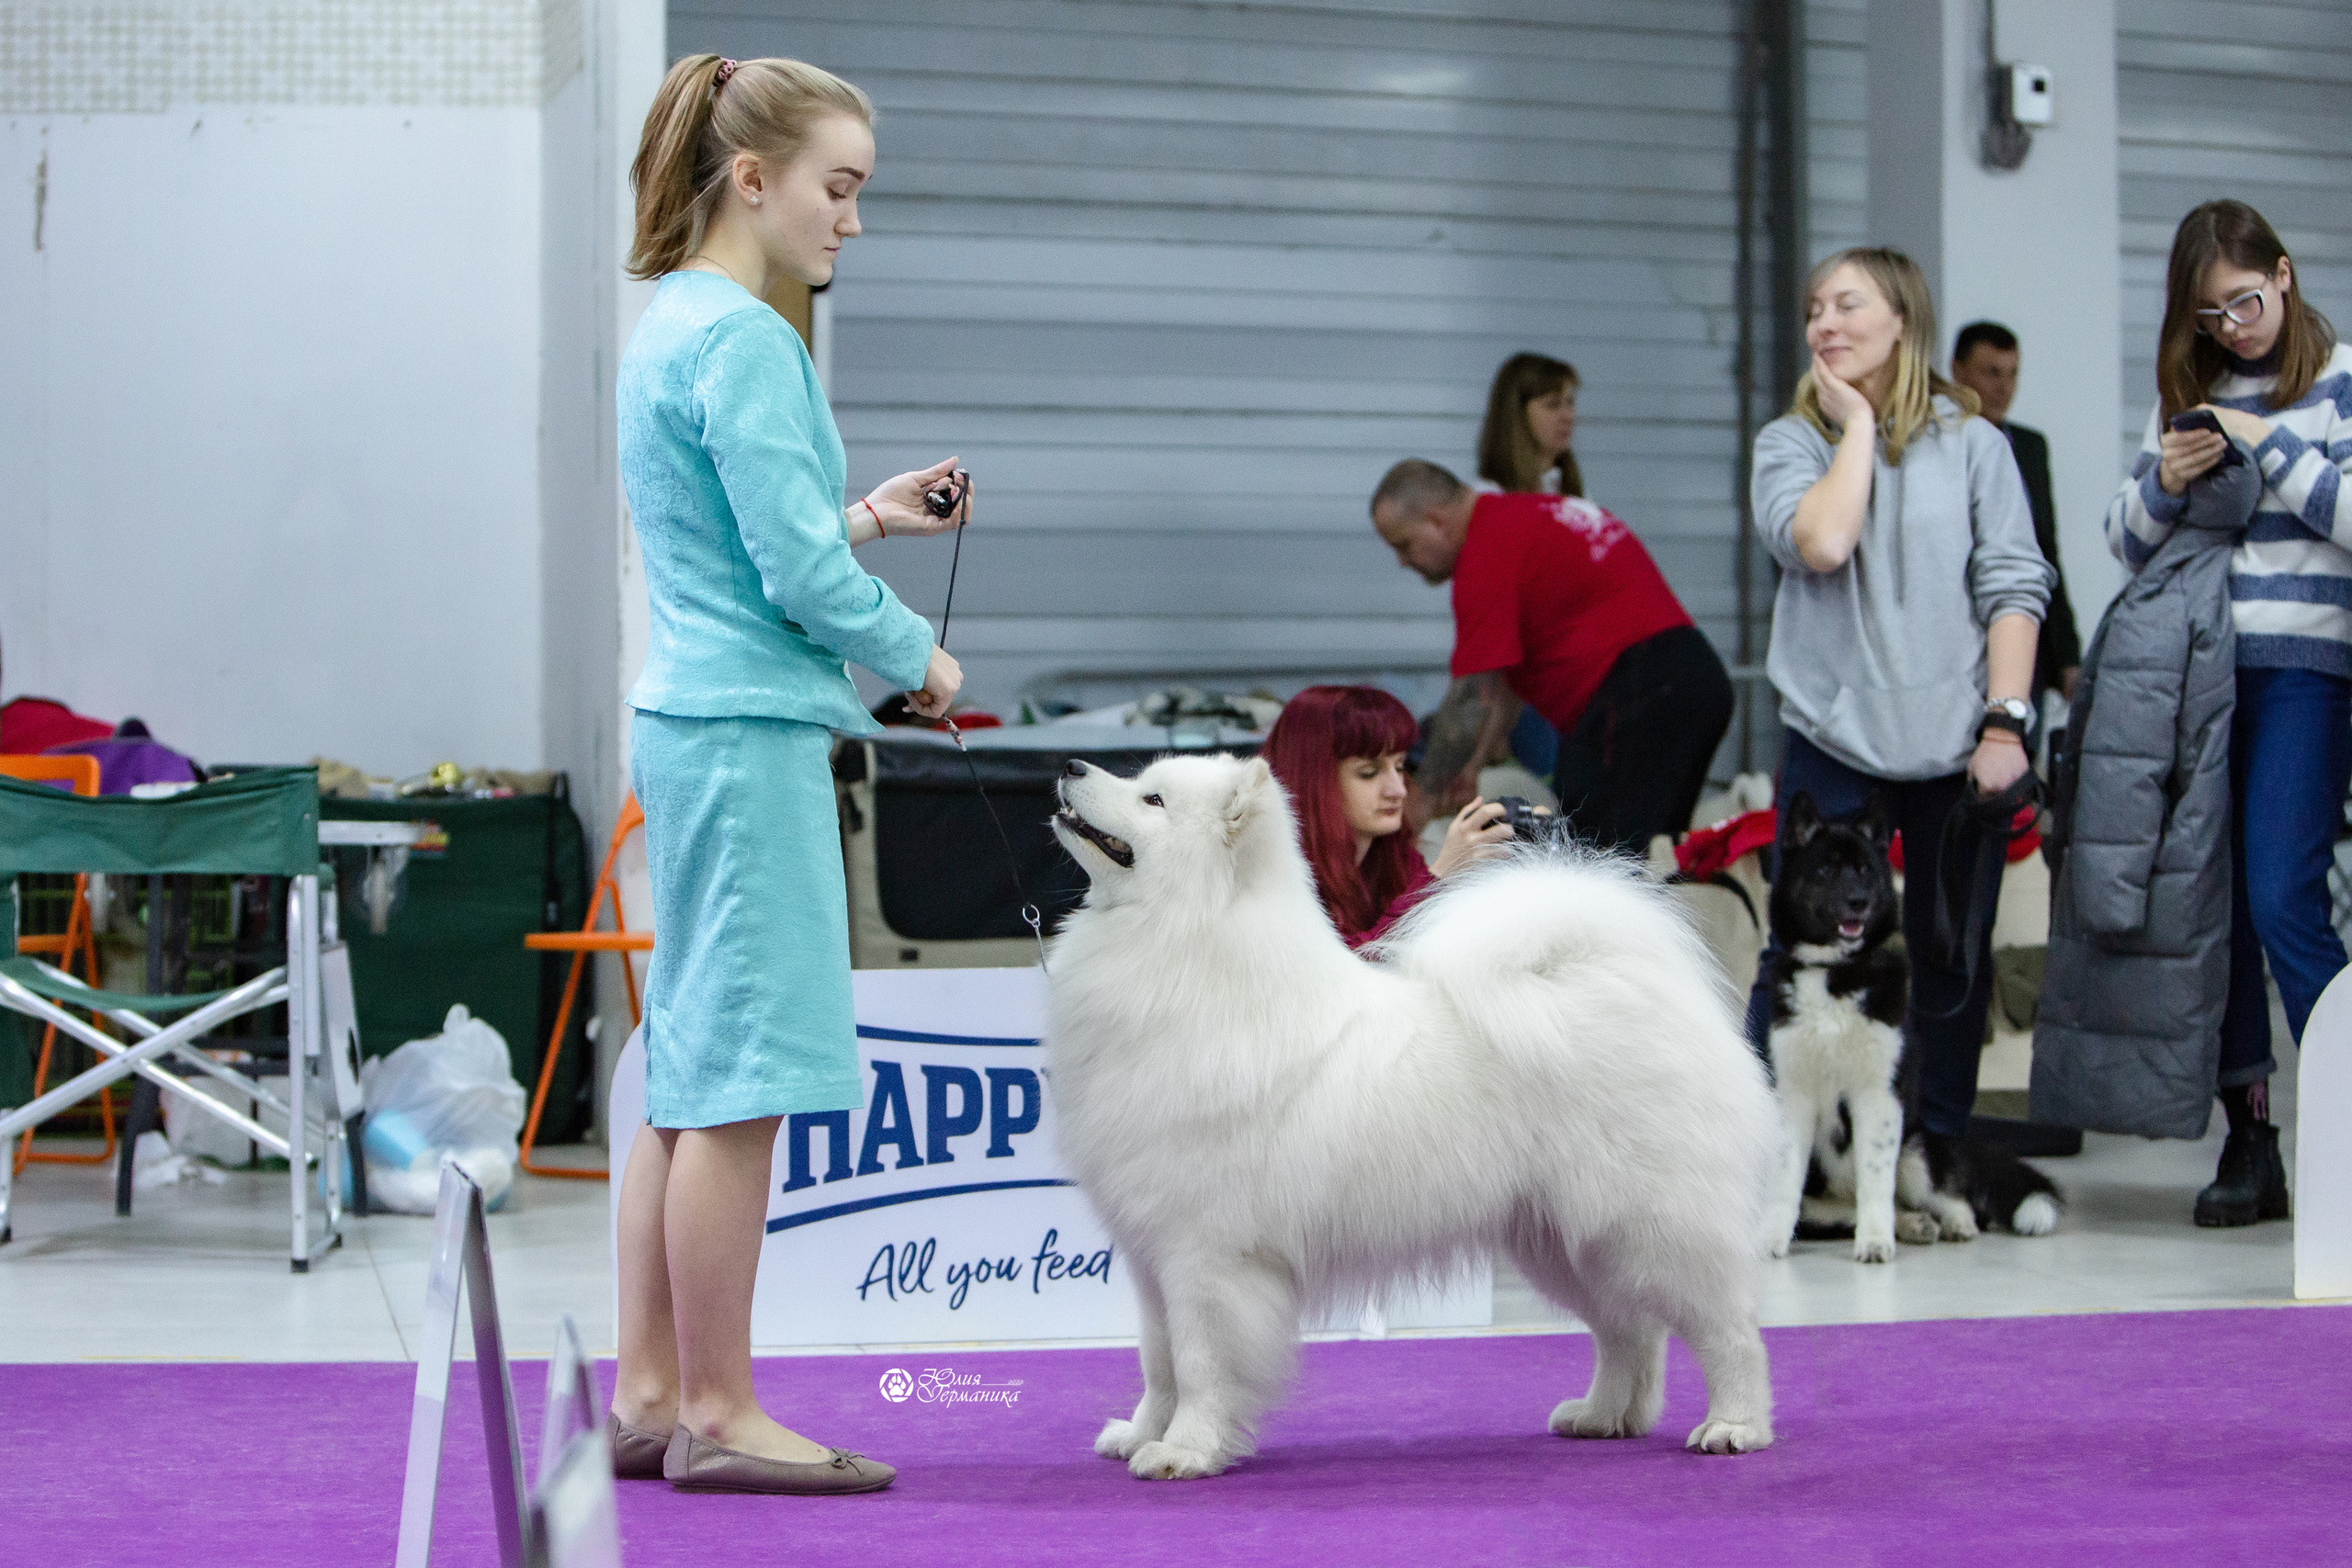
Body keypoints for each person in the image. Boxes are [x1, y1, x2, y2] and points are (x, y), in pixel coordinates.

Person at [608, 52, 973, 1496]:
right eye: (841, 187)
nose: (854, 222)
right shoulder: (755, 340)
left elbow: (750, 539)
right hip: (746, 739)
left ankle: (648, 1391)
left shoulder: (675, 325)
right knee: (744, 1081)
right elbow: (794, 575)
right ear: (750, 181)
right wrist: (923, 661)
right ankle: (721, 1403)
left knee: (688, 1077)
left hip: (690, 724)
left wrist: (865, 516)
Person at [1745, 246, 2052, 1154]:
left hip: (1958, 747)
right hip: (1834, 744)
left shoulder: (1975, 446)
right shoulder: (1790, 443)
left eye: (1846, 305)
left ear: (1902, 322)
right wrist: (1852, 428)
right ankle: (1766, 1162)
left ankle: (1934, 1156)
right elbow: (1825, 542)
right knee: (1795, 954)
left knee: (1949, 959)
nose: (1823, 325)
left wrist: (2005, 721)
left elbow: (2012, 585)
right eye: (1814, 310)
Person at [2102, 198, 2352, 1225]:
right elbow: (2123, 542)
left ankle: (2339, 1119)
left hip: (2306, 673)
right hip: (2197, 679)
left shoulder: (2337, 380)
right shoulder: (2186, 387)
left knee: (2284, 891)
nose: (2232, 327)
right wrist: (2162, 479)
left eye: (2244, 302)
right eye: (2209, 315)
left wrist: (2270, 445)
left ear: (2284, 277)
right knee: (2217, 912)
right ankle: (2251, 1141)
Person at [1369, 461, 1732, 858]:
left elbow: (1471, 697)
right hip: (1685, 681)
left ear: (1436, 521)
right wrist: (1471, 764)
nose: (1403, 562)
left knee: (1601, 865)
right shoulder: (1527, 516)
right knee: (1638, 855)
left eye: (1403, 546)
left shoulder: (1486, 549)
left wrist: (1420, 802)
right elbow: (1504, 679)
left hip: (1642, 695)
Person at [1260, 685, 1513, 948]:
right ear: (1314, 780)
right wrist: (1438, 879)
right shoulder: (1275, 880)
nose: (1399, 790)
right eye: (1368, 772)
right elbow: (1341, 971)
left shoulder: (1395, 857)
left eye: (1400, 766)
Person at [1950, 321, 2084, 703]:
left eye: (2012, 374)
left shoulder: (2028, 447)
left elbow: (2044, 552)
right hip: (1959, 642)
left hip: (2025, 642)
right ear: (1958, 369)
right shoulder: (1939, 445)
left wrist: (2068, 658)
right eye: (1990, 372)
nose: (2004, 387)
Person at [1478, 352, 1584, 498]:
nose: (1568, 416)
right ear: (1517, 413)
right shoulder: (1488, 496)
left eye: (1570, 402)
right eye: (1552, 404)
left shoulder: (1572, 492)